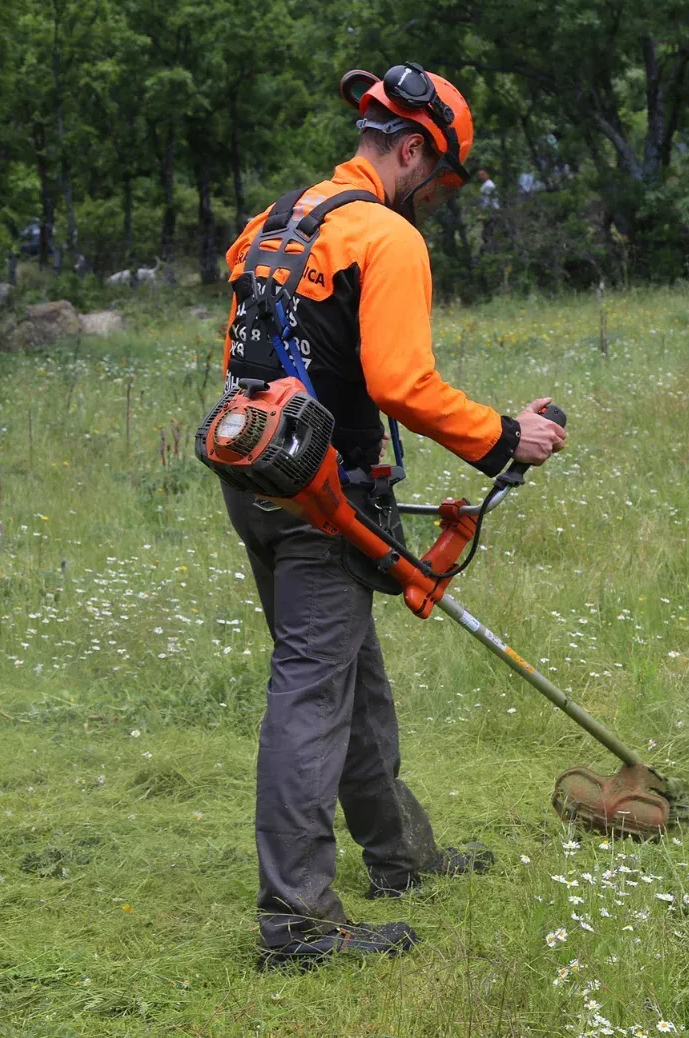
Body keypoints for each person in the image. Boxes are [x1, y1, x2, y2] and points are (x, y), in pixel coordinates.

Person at [218, 62, 567, 966]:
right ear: (413, 150)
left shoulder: (272, 227)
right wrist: (503, 436)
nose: (437, 201)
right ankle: (296, 923)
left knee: (347, 673)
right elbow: (401, 383)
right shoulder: (384, 237)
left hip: (254, 468)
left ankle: (401, 856)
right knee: (312, 687)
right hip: (319, 491)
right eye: (441, 183)